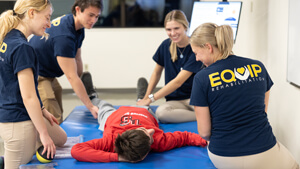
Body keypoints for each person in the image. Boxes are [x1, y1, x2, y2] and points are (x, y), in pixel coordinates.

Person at [189, 23, 299, 169]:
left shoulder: (201, 78)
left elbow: (204, 132)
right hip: (264, 150)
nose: (196, 59)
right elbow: (263, 111)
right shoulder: (258, 66)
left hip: (223, 156)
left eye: (196, 53)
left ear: (209, 47)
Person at [70, 72, 207, 162]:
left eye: (145, 131)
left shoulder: (111, 140)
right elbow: (186, 137)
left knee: (102, 108)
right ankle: (139, 97)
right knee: (141, 106)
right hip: (141, 112)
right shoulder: (159, 141)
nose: (151, 131)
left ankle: (94, 97)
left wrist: (116, 157)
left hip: (114, 117)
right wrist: (206, 141)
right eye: (148, 135)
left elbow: (76, 150)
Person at [0, 1, 67, 169]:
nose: (49, 24)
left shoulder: (9, 38)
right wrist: (43, 135)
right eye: (47, 17)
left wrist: (43, 110)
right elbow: (28, 97)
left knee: (61, 138)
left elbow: (19, 86)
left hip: (17, 116)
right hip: (18, 124)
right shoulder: (22, 48)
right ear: (31, 13)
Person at [29, 0, 103, 124]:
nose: (94, 20)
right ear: (78, 10)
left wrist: (82, 81)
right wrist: (90, 106)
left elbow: (77, 58)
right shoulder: (65, 36)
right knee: (53, 117)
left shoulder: (78, 27)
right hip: (35, 73)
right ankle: (44, 142)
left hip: (48, 72)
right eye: (91, 15)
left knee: (58, 105)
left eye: (97, 16)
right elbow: (71, 77)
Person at [136, 10, 203, 123]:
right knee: (161, 114)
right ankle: (203, 116)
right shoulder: (165, 45)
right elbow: (156, 73)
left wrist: (151, 99)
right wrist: (145, 98)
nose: (173, 33)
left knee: (214, 111)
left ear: (185, 27)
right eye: (168, 29)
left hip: (194, 99)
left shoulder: (195, 48)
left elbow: (178, 81)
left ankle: (205, 116)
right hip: (175, 101)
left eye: (176, 28)